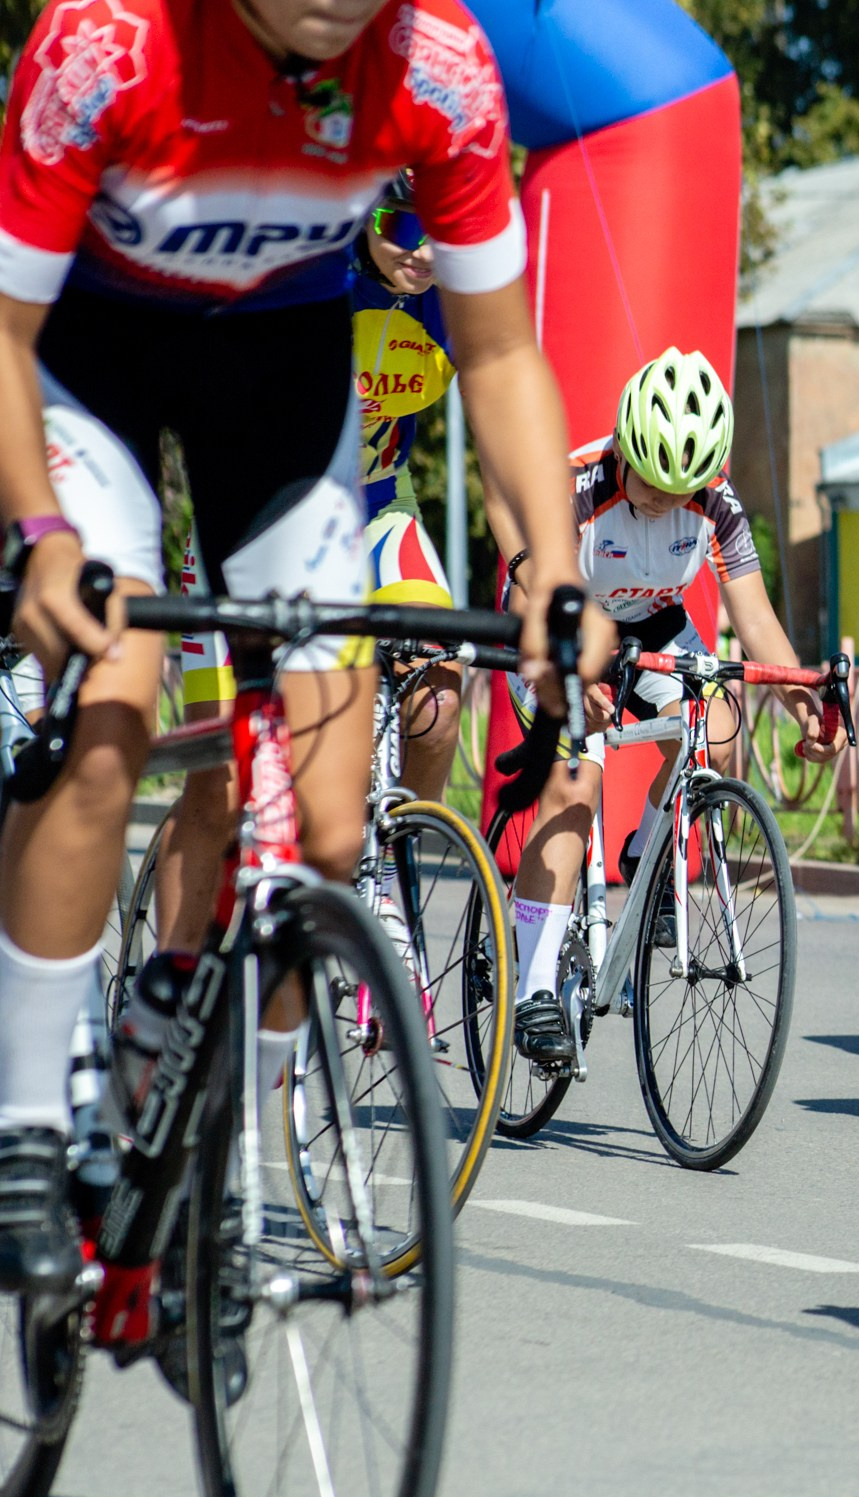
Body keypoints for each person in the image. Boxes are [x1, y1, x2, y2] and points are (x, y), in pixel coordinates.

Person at [0, 0, 604, 1291]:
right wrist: (46, 537)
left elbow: (498, 352)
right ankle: (28, 1126)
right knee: (110, 719)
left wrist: (552, 567)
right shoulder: (104, 41)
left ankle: (204, 1095)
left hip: (277, 375)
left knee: (329, 832)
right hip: (86, 364)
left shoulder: (437, 65)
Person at [150, 171, 472, 959]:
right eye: (403, 227)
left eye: (441, 230)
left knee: (438, 688)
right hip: (251, 529)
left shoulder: (449, 297)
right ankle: (170, 981)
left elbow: (503, 409)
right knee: (219, 785)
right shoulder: (314, 280)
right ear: (365, 219)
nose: (422, 249)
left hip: (376, 515)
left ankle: (393, 871)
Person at [499, 347, 843, 1066]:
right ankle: (532, 990)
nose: (663, 502)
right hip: (559, 622)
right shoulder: (579, 487)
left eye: (681, 489)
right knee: (576, 782)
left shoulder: (716, 502)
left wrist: (797, 696)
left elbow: (755, 622)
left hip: (652, 627)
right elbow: (534, 587)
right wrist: (572, 680)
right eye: (652, 483)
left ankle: (645, 856)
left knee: (716, 737)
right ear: (625, 446)